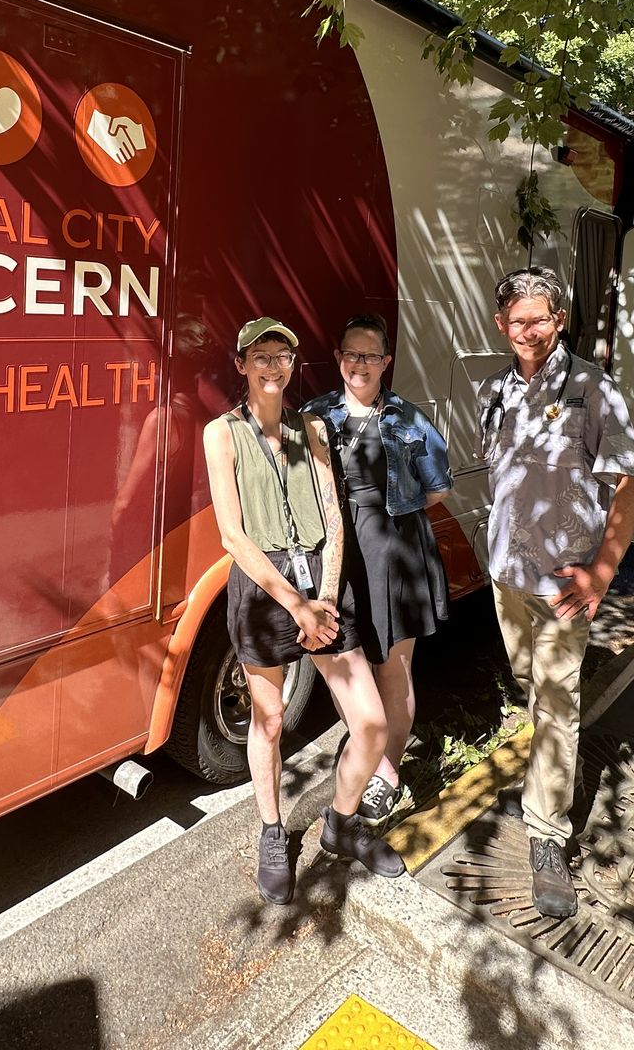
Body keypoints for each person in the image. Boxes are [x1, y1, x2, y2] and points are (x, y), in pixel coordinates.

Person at [203, 316, 407, 905]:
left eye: (282, 356)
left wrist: (324, 595)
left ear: (293, 365)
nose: (272, 366)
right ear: (241, 365)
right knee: (268, 721)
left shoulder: (311, 427)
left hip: (320, 580)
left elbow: (334, 516)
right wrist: (296, 605)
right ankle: (272, 831)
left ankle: (341, 824)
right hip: (265, 591)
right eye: (260, 356)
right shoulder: (222, 434)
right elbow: (233, 536)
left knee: (369, 723)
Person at [475, 268, 634, 919]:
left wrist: (601, 572)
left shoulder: (593, 389)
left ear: (560, 319)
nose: (529, 332)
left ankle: (548, 836)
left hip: (565, 584)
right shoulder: (493, 391)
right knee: (530, 684)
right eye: (517, 321)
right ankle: (556, 767)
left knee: (554, 700)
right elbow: (501, 476)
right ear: (501, 325)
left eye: (540, 319)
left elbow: (631, 486)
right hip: (506, 577)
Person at [303, 313, 452, 825]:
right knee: (348, 663)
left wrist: (389, 522)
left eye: (369, 355)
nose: (359, 363)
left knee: (393, 668)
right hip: (338, 558)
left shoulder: (408, 418)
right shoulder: (315, 414)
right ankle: (368, 737)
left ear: (386, 361)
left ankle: (387, 771)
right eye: (350, 353)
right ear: (338, 357)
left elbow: (438, 487)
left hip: (394, 554)